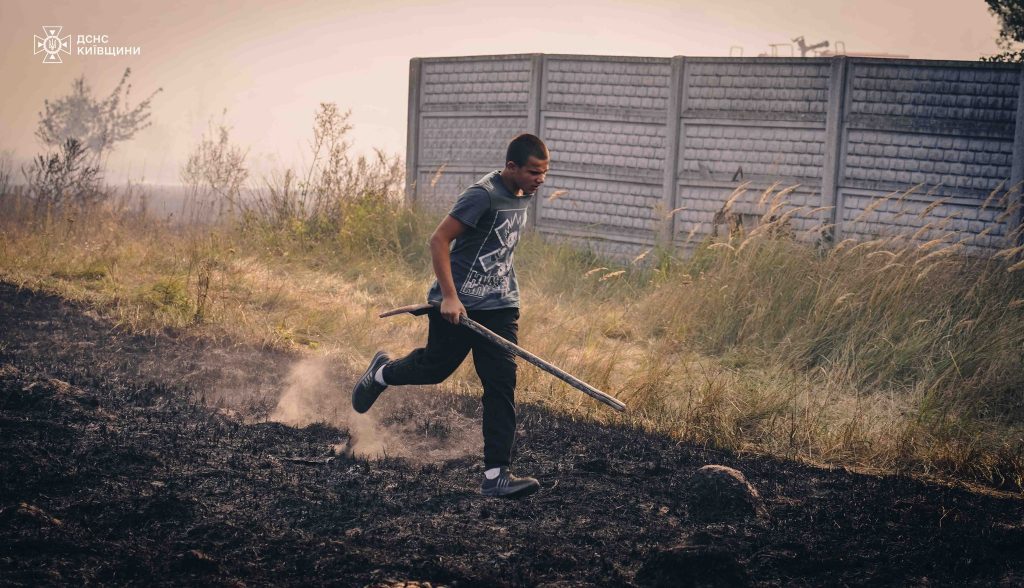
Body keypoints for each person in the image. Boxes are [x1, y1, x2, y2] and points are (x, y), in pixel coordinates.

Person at [351, 133, 549, 498]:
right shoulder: (482, 195)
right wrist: (450, 298)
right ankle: (381, 373)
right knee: (434, 369)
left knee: (501, 384)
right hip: (457, 305)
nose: (541, 179)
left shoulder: (522, 195)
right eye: (534, 172)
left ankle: (496, 476)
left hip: (500, 306)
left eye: (545, 172)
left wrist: (504, 293)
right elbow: (438, 240)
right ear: (511, 168)